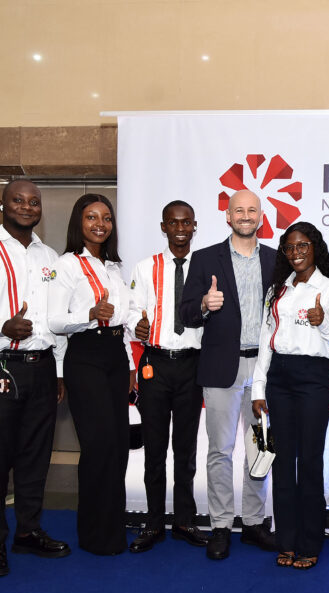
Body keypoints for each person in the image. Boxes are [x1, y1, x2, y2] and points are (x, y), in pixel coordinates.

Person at [0, 179, 70, 578]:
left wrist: (58, 370)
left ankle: (28, 531)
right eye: (18, 200)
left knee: (35, 457)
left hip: (42, 367)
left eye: (34, 202)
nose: (26, 206)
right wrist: (1, 324)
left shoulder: (50, 257)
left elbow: (56, 320)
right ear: (2, 205)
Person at [180, 189, 277, 560]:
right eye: (239, 210)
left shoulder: (275, 259)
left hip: (264, 369)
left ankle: (253, 522)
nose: (245, 216)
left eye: (252, 210)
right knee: (220, 451)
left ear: (261, 216)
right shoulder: (205, 258)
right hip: (223, 367)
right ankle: (220, 525)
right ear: (228, 216)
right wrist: (205, 304)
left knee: (260, 448)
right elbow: (186, 313)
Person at [251, 222, 329, 570]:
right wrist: (258, 388)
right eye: (290, 247)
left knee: (309, 462)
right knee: (282, 463)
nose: (296, 253)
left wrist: (323, 322)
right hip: (278, 378)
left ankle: (310, 543)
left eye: (303, 246)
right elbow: (266, 340)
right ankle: (287, 541)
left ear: (315, 248)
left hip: (313, 379)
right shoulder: (277, 289)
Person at [49, 194, 132, 555]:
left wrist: (129, 365)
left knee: (118, 446)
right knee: (98, 446)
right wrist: (89, 313)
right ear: (78, 223)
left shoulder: (113, 267)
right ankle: (94, 534)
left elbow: (122, 323)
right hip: (85, 357)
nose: (100, 224)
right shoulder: (66, 264)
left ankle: (112, 529)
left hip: (114, 357)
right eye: (92, 217)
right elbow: (54, 320)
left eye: (106, 218)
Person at [126, 200, 209, 553]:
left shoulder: (206, 268)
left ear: (194, 226)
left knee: (186, 449)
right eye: (173, 222)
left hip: (192, 365)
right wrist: (136, 325)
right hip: (155, 365)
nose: (180, 228)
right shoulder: (145, 267)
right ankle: (154, 522)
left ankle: (185, 520)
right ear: (163, 227)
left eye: (186, 222)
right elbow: (132, 310)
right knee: (155, 448)